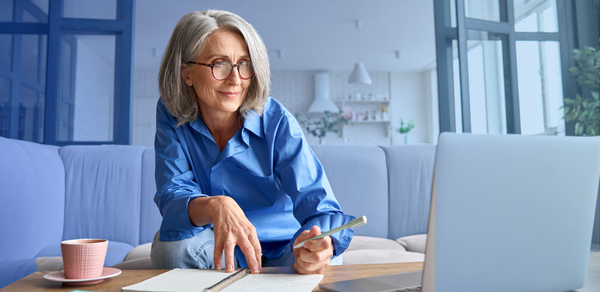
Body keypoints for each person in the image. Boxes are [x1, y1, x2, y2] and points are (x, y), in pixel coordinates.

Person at [151, 9, 355, 275]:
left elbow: (319, 206)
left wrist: (321, 244)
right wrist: (215, 205)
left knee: (325, 263)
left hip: (283, 248)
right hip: (216, 247)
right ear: (186, 73)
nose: (235, 79)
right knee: (170, 250)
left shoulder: (276, 120)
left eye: (244, 64)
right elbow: (172, 194)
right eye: (219, 64)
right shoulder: (171, 113)